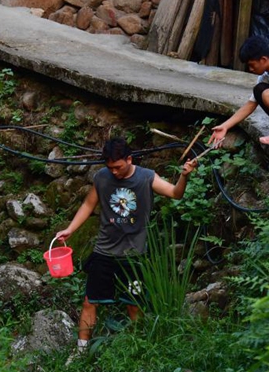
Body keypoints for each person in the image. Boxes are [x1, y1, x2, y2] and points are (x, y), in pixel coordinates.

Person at [54, 138, 198, 356]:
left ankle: (138, 348)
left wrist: (184, 176)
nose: (114, 172)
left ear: (129, 159)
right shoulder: (102, 177)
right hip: (104, 251)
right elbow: (88, 204)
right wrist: (70, 229)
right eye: (110, 167)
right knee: (90, 302)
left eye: (118, 167)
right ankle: (81, 353)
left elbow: (175, 193)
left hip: (134, 255)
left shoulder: (146, 177)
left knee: (134, 305)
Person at [208, 36, 269, 161]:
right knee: (259, 90)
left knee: (268, 95)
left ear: (263, 59)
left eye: (252, 65)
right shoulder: (265, 76)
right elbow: (250, 105)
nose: (251, 69)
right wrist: (225, 126)